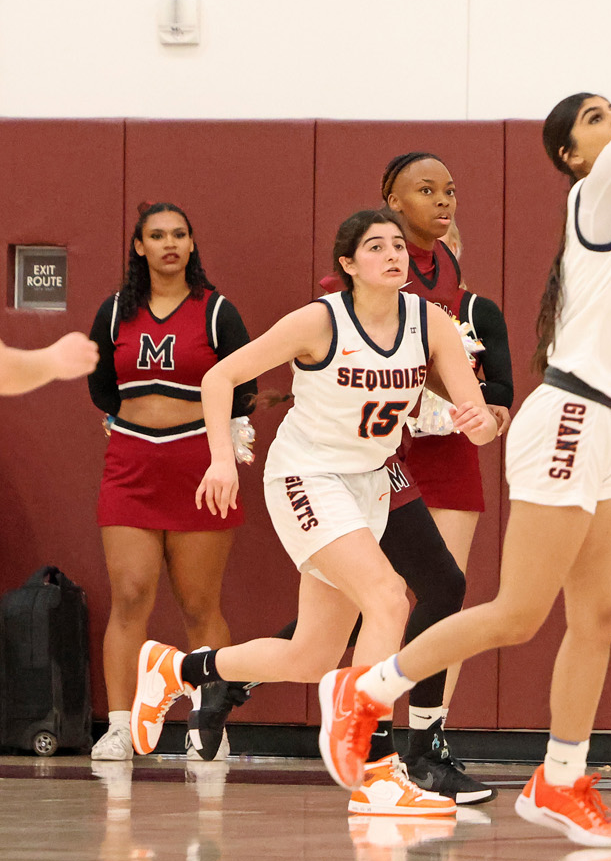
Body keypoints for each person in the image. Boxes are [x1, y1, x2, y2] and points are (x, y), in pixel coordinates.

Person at [317, 0, 611, 849]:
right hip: (570, 416)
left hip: (607, 430)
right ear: (572, 154)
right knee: (519, 613)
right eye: (596, 118)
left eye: (610, 112)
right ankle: (368, 690)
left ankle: (560, 778)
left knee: (600, 614)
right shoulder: (600, 196)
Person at [129, 208, 497, 818]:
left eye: (398, 245)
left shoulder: (429, 321)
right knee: (387, 598)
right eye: (375, 247)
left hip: (370, 480)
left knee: (311, 656)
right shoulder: (320, 321)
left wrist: (479, 422)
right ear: (347, 265)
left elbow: (477, 419)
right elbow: (220, 377)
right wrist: (220, 459)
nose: (393, 254)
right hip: (307, 476)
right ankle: (377, 767)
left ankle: (179, 669)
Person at [86, 203, 255, 762]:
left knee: (199, 603)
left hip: (199, 465)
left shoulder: (217, 311)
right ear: (139, 246)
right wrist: (131, 421)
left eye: (179, 234)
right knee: (130, 594)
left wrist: (221, 448)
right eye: (157, 235)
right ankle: (119, 725)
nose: (169, 244)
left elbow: (245, 385)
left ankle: (209, 725)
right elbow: (100, 385)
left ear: (192, 243)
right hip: (131, 463)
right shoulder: (116, 310)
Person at [378, 150, 514, 798]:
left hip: (445, 455)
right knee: (357, 610)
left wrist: (486, 413)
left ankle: (422, 745)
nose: (443, 203)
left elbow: (495, 391)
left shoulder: (464, 298)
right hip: (371, 453)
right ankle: (222, 674)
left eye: (451, 192)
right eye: (427, 191)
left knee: (443, 595)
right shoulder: (366, 283)